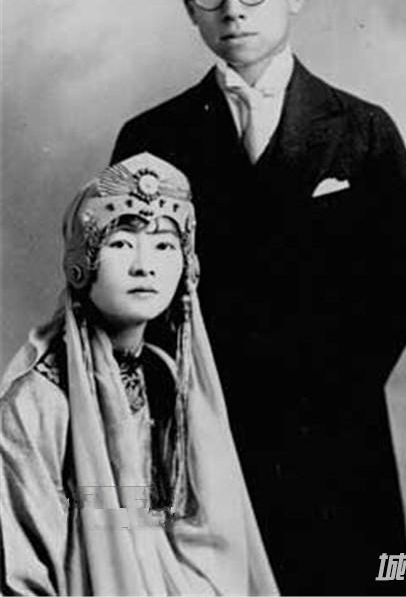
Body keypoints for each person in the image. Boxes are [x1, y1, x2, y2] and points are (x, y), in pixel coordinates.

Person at [111, 0, 406, 596]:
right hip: (198, 452)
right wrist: (193, 424)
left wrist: (310, 415)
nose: (233, 8)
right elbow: (130, 306)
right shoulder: (149, 141)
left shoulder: (365, 133)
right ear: (189, 6)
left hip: (334, 449)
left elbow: (386, 311)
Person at [0, 152, 278, 596]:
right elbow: (20, 576)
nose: (144, 265)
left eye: (164, 245)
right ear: (83, 261)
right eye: (121, 244)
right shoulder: (37, 401)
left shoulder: (167, 379)